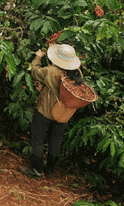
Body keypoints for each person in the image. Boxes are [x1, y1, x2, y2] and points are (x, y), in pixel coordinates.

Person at [21, 44, 84, 180]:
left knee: (38, 139)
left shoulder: (51, 71)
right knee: (55, 141)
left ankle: (36, 170)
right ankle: (49, 170)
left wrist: (38, 58)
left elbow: (35, 72)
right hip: (63, 114)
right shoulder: (77, 73)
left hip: (46, 111)